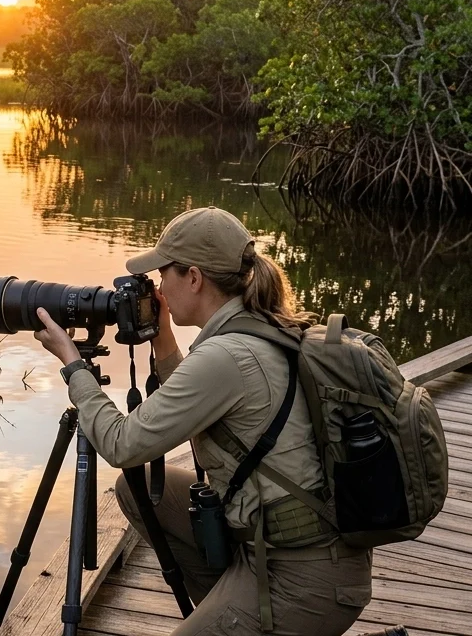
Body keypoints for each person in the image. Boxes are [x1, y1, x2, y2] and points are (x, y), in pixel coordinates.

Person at [34, 207, 373, 636]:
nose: (157, 287)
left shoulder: (225, 356)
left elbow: (122, 445)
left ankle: (249, 618)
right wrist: (164, 341)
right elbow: (210, 412)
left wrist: (72, 365)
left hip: (302, 580)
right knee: (144, 495)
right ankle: (224, 609)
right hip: (298, 552)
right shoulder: (255, 327)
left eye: (163, 274)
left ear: (194, 278)